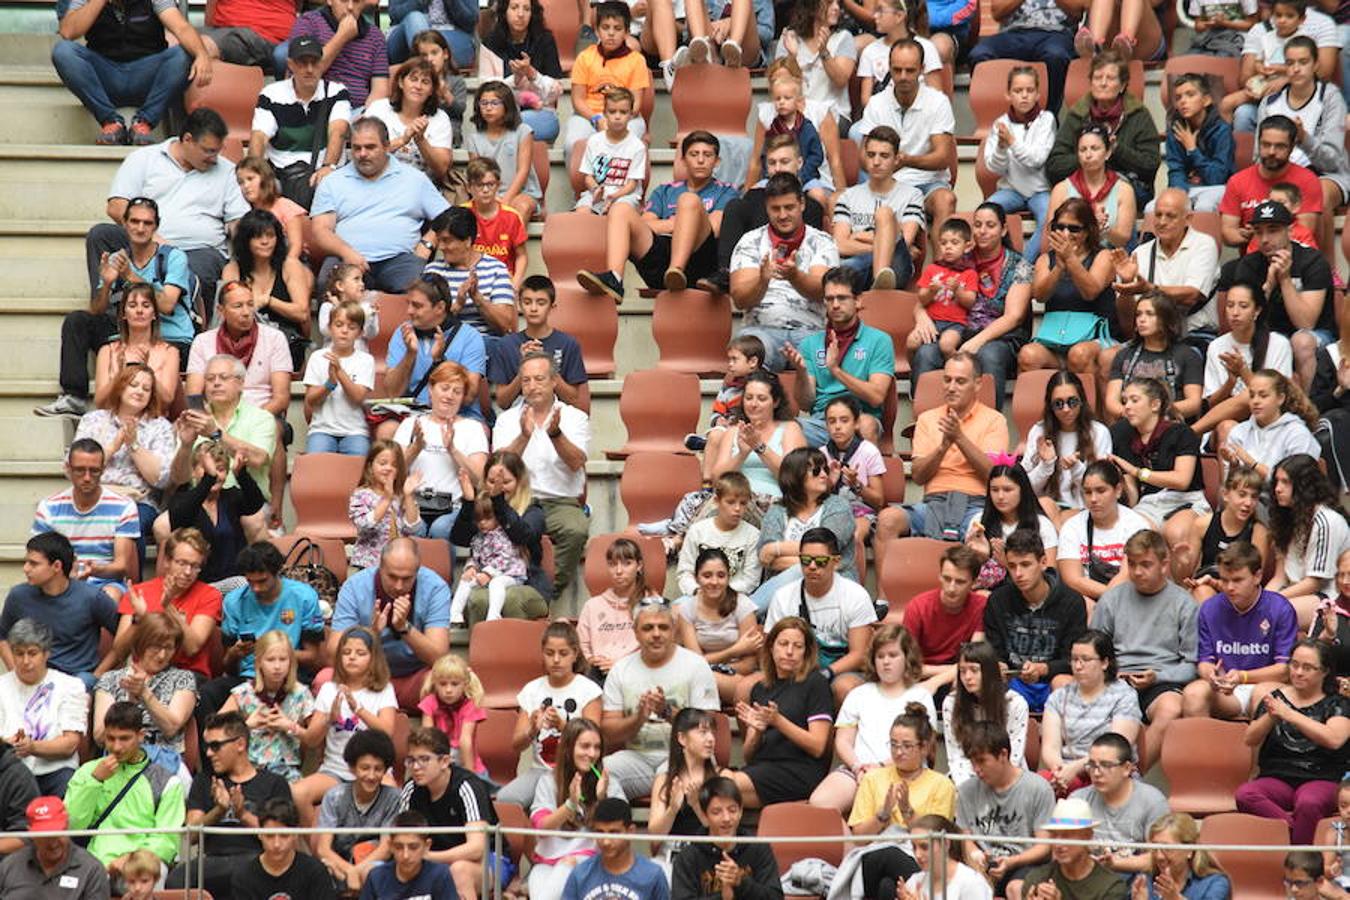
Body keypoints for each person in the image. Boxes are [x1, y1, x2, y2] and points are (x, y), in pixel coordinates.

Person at [39, 201, 191, 421]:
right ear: (125, 224)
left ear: (156, 226)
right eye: (134, 221)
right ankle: (74, 397)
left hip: (171, 336)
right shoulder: (115, 259)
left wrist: (130, 276)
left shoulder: (173, 257)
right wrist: (108, 284)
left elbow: (167, 304)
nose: (140, 228)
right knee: (77, 321)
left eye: (147, 223)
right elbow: (97, 309)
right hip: (128, 332)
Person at [86, 109, 243, 318]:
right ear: (187, 139)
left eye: (217, 151)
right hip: (144, 241)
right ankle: (107, 317)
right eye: (208, 151)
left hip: (199, 250)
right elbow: (116, 206)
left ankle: (188, 328)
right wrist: (155, 239)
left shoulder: (228, 171)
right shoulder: (144, 158)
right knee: (101, 235)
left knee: (198, 266)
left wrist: (238, 256)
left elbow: (238, 223)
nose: (214, 159)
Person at [577, 131, 739, 302]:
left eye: (707, 155)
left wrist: (674, 221)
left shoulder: (727, 191)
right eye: (694, 154)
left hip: (700, 262)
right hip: (660, 259)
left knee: (688, 200)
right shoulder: (664, 190)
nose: (700, 160)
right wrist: (682, 223)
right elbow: (646, 224)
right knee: (620, 209)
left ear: (716, 161)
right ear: (683, 160)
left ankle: (676, 271)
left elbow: (714, 227)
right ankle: (614, 278)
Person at [874, 353, 1009, 550]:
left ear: (977, 384)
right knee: (887, 520)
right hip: (933, 504)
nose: (951, 387)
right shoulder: (927, 419)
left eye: (960, 381)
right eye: (947, 380)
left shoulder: (995, 420)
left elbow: (994, 476)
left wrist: (959, 438)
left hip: (976, 506)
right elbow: (918, 476)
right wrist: (942, 448)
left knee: (980, 532)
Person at [1089, 529, 1197, 771]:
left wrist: (1158, 676)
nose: (1137, 572)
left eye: (1146, 564)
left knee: (1171, 707)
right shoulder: (1111, 599)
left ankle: (1132, 772)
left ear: (1164, 565)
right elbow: (1094, 649)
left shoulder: (1184, 603)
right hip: (1116, 677)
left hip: (1161, 679)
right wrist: (1109, 673)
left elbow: (1192, 666)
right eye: (1132, 564)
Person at [910, 203, 1035, 409]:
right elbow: (924, 296)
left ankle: (988, 423)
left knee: (988, 355)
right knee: (926, 353)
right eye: (977, 225)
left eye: (990, 225)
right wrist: (922, 317)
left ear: (1003, 230)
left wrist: (977, 341)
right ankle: (926, 421)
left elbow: (1014, 317)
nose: (982, 231)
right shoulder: (957, 257)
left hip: (999, 338)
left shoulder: (1019, 266)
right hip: (955, 331)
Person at [185, 284, 292, 518]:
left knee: (273, 429)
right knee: (186, 429)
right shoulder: (203, 341)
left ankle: (275, 508)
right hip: (214, 412)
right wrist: (210, 419)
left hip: (263, 412)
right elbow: (193, 396)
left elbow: (282, 397)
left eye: (250, 305)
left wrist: (253, 419)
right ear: (221, 310)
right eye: (238, 306)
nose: (246, 312)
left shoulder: (274, 338)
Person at [310, 117, 451, 293]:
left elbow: (448, 217)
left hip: (401, 260)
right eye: (356, 148)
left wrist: (427, 243)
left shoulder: (414, 179)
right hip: (346, 258)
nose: (362, 154)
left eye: (370, 147)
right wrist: (347, 252)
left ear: (386, 146)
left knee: (420, 291)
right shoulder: (332, 182)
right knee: (329, 285)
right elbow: (320, 230)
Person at [492, 353, 590, 598]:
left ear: (554, 381)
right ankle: (517, 584)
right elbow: (497, 468)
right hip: (518, 500)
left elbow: (577, 462)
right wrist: (523, 437)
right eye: (526, 380)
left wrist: (556, 434)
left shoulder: (575, 417)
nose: (532, 386)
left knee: (576, 530)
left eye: (539, 379)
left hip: (561, 501)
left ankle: (547, 592)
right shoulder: (506, 420)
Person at [810, 625, 937, 813]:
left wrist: (880, 768)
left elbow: (923, 746)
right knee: (820, 803)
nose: (886, 662)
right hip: (858, 770)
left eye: (893, 655)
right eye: (880, 656)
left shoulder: (921, 696)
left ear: (907, 657)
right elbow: (843, 740)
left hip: (904, 770)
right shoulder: (858, 694)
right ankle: (850, 835)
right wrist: (857, 767)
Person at [600, 602, 720, 800]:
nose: (656, 634)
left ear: (673, 630)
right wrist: (639, 717)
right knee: (599, 773)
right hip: (638, 758)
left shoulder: (696, 665)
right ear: (635, 632)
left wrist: (666, 711)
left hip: (686, 756)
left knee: (677, 776)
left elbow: (708, 727)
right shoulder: (620, 670)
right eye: (648, 628)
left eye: (663, 627)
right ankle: (619, 818)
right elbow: (609, 733)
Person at [199, 542, 325, 728]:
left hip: (289, 676)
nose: (256, 588)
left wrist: (273, 653)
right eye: (250, 582)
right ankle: (214, 746)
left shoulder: (303, 597)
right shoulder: (234, 601)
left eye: (262, 581)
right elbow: (228, 666)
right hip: (248, 678)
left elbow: (313, 657)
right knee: (207, 693)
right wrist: (235, 653)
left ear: (277, 573)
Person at [1237, 638, 1350, 844]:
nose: (1298, 672)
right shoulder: (1275, 698)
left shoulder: (1337, 703)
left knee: (1309, 803)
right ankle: (1291, 829)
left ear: (1324, 672)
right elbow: (1250, 739)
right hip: (1278, 777)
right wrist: (1271, 716)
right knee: (1246, 794)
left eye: (1307, 668)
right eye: (1294, 665)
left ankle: (1301, 859)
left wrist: (1290, 714)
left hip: (1321, 777)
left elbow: (1334, 739)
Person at [166, 711, 292, 895]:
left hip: (258, 858)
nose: (209, 753)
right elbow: (192, 835)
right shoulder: (204, 781)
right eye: (207, 746)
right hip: (212, 859)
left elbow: (280, 837)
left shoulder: (274, 783)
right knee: (176, 879)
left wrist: (242, 814)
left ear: (240, 744)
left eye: (215, 746)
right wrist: (219, 810)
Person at [52, 0, 210, 145]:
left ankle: (143, 123)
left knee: (184, 54)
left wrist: (201, 54)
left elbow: (181, 27)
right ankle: (111, 122)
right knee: (64, 51)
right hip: (105, 76)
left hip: (146, 76)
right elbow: (68, 31)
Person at [1217, 198, 1334, 389]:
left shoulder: (1312, 261)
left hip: (1316, 334)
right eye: (1259, 232)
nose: (1264, 239)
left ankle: (1305, 405)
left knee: (1301, 341)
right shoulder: (1249, 265)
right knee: (1266, 340)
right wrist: (1269, 285)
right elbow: (1247, 318)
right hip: (1269, 330)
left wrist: (1285, 279)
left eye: (1273, 230)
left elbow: (1306, 323)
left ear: (1290, 230)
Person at [729, 172, 839, 372]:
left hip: (810, 331)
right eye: (775, 208)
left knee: (826, 362)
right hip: (761, 330)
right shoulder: (750, 241)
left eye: (789, 207)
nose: (782, 215)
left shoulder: (823, 242)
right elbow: (740, 300)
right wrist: (762, 281)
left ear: (802, 204)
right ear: (766, 207)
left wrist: (795, 276)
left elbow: (822, 291)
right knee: (747, 355)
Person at [65, 701, 185, 882]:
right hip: (95, 864)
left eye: (124, 738)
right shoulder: (87, 772)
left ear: (141, 736)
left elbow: (166, 841)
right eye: (111, 738)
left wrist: (131, 860)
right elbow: (72, 826)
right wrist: (94, 781)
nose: (116, 747)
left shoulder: (167, 781)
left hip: (142, 864)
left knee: (151, 872)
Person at [1255, 35, 1350, 262]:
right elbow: (1257, 157)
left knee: (1318, 192)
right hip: (1280, 174)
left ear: (1316, 64)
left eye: (1303, 62)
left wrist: (1304, 138)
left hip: (1327, 174)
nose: (1296, 69)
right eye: (1290, 63)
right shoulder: (1270, 102)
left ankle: (1326, 269)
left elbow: (1333, 160)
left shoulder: (1330, 97)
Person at [293, 627, 397, 828]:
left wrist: (358, 709)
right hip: (335, 771)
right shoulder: (328, 689)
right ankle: (316, 844)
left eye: (360, 653)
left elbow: (387, 732)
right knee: (297, 793)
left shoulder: (384, 690)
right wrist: (329, 719)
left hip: (374, 771)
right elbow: (312, 740)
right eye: (346, 652)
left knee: (393, 793)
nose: (352, 657)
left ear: (373, 658)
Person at [330, 538, 452, 710]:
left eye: (407, 579)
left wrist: (404, 628)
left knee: (449, 683)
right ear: (380, 567)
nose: (399, 586)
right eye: (392, 577)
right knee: (324, 680)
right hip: (365, 679)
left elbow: (439, 657)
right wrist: (371, 634)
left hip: (415, 678)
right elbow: (333, 651)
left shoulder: (435, 587)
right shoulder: (354, 586)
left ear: (418, 572)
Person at [73, 363, 176, 567]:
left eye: (146, 389)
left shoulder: (160, 427)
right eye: (133, 385)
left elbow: (161, 479)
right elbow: (74, 467)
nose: (139, 391)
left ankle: (130, 582)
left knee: (130, 522)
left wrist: (133, 445)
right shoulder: (93, 420)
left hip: (139, 501)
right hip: (95, 495)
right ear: (120, 387)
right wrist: (114, 446)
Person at [1184, 539, 1297, 721]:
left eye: (1237, 580)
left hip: (1265, 684)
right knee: (1193, 694)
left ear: (1257, 576)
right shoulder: (1209, 608)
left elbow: (1284, 670)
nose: (1229, 587)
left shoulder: (1280, 608)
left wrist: (1243, 677)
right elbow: (1204, 661)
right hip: (1226, 691)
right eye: (1224, 580)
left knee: (1263, 695)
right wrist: (1211, 675)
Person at [729, 617, 835, 809]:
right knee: (718, 794)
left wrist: (778, 721)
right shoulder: (760, 689)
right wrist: (757, 731)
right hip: (762, 769)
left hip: (799, 770)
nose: (789, 651)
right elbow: (748, 756)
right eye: (783, 644)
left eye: (798, 646)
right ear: (771, 647)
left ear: (806, 652)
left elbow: (818, 746)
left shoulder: (815, 684)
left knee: (724, 787)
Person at [762, 526, 875, 700]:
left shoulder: (855, 595)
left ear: (836, 562)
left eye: (821, 561)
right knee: (746, 688)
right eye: (806, 560)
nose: (812, 566)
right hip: (792, 669)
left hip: (840, 672)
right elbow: (769, 645)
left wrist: (825, 674)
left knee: (844, 688)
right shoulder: (783, 596)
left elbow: (859, 654)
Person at [497, 621, 602, 807]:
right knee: (506, 800)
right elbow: (517, 745)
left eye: (563, 653)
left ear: (575, 654)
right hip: (540, 771)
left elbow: (594, 740)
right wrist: (532, 730)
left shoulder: (588, 690)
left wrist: (563, 726)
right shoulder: (532, 690)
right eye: (549, 653)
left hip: (577, 770)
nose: (556, 660)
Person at [856, 39, 957, 227]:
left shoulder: (938, 102)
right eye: (897, 70)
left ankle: (941, 249)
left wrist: (906, 161)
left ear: (922, 69)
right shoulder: (876, 103)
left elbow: (943, 158)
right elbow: (863, 156)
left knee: (945, 200)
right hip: (888, 183)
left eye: (910, 70)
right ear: (889, 68)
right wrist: (881, 164)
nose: (903, 77)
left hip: (928, 184)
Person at [985, 529, 1087, 713]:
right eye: (1012, 566)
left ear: (1043, 562)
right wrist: (998, 665)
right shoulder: (998, 600)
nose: (1018, 573)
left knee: (1064, 682)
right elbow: (994, 649)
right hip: (1012, 681)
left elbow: (1072, 659)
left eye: (1025, 565)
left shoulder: (1071, 602)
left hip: (1052, 679)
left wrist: (1043, 669)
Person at [167, 355, 276, 529]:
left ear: (240, 383)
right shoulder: (194, 419)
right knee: (162, 526)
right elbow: (179, 478)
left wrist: (215, 433)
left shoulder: (261, 418)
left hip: (246, 500)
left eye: (223, 377)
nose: (216, 383)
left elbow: (258, 459)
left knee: (252, 521)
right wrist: (186, 446)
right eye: (210, 379)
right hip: (200, 500)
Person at [0, 533, 119, 690]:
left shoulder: (92, 597)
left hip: (78, 679)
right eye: (26, 562)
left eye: (33, 564)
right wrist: (16, 673)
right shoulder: (19, 596)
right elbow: (2, 637)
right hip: (34, 676)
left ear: (57, 566)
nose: (26, 569)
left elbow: (124, 635)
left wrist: (98, 674)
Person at [846, 703, 956, 872]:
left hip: (919, 860)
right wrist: (883, 815)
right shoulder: (872, 778)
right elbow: (859, 839)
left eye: (906, 746)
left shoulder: (942, 785)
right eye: (894, 744)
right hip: (874, 858)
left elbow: (935, 841)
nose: (898, 752)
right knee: (885, 862)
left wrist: (907, 811)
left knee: (889, 872)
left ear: (924, 748)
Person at [1046, 50, 1161, 208]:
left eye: (1110, 78)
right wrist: (1089, 156)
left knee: (1120, 196)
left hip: (1128, 185)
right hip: (1083, 185)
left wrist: (1117, 150)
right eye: (1098, 78)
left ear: (1122, 85)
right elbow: (1054, 166)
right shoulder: (1078, 114)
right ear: (1091, 82)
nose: (1103, 83)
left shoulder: (1138, 114)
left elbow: (1150, 164)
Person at [1017, 197, 1117, 377]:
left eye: (1074, 228)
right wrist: (1058, 267)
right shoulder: (1045, 259)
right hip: (1055, 339)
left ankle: (1088, 397)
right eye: (1059, 227)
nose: (1065, 233)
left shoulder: (1104, 256)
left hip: (1095, 338)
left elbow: (1090, 292)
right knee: (1028, 355)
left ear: (1088, 231)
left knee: (1079, 354)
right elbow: (1039, 296)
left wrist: (1071, 260)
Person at [450, 450, 553, 624]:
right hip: (485, 580)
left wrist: (499, 503)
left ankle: (516, 642)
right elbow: (460, 538)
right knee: (479, 599)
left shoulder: (533, 510)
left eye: (505, 482)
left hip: (526, 583)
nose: (498, 486)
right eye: (492, 481)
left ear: (519, 481)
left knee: (510, 598)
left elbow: (523, 536)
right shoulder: (483, 509)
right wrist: (468, 503)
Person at [955, 720, 1055, 899]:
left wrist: (1011, 862)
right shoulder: (966, 791)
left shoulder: (1038, 788)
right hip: (984, 864)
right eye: (972, 762)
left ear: (1003, 754)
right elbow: (965, 839)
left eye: (982, 761)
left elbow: (1044, 847)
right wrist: (976, 856)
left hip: (1026, 863)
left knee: (1016, 888)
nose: (976, 769)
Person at [249, 36, 350, 211]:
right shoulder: (271, 94)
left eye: (314, 62)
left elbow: (338, 131)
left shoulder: (336, 92)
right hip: (284, 174)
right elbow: (259, 137)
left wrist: (328, 166)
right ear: (290, 64)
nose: (309, 69)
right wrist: (255, 173)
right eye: (302, 63)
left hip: (325, 174)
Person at [527, 717, 625, 896]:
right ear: (568, 748)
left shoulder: (610, 783)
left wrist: (602, 799)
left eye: (597, 747)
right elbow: (542, 828)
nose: (592, 753)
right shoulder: (549, 781)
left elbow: (621, 834)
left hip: (593, 863)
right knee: (540, 887)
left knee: (567, 866)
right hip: (547, 863)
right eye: (585, 746)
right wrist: (570, 805)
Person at [393, 360, 490, 538]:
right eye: (444, 388)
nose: (449, 396)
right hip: (413, 503)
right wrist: (415, 449)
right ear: (431, 389)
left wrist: (453, 450)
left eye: (457, 391)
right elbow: (392, 473)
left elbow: (480, 480)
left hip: (454, 507)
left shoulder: (473, 428)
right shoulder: (410, 424)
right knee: (415, 529)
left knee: (440, 529)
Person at [33, 439, 138, 603]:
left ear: (103, 470)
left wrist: (95, 570)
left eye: (94, 471)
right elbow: (38, 558)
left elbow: (122, 565)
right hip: (59, 580)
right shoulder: (49, 507)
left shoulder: (124, 506)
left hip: (105, 582)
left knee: (110, 597)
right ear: (68, 469)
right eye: (80, 470)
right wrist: (65, 575)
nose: (87, 477)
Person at [400, 725, 498, 900]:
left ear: (444, 761)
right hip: (434, 858)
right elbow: (402, 837)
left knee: (459, 871)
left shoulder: (467, 786)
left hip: (488, 859)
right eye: (411, 760)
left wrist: (427, 857)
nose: (415, 767)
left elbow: (476, 848)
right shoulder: (411, 788)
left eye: (424, 759)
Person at [1109, 376, 1209, 546]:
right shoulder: (1122, 433)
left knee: (1176, 532)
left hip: (1186, 500)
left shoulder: (1181, 433)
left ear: (1155, 405)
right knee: (1132, 533)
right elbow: (1132, 492)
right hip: (1149, 502)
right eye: (1125, 401)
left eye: (1134, 400)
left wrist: (1138, 472)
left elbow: (1182, 480)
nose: (1127, 406)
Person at [755, 449, 861, 606]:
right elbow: (765, 557)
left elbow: (825, 546)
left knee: (800, 570)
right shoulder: (778, 510)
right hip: (786, 590)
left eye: (825, 469)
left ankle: (749, 610)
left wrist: (776, 549)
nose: (824, 475)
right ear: (795, 475)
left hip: (834, 583)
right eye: (816, 471)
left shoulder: (838, 506)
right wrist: (812, 560)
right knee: (800, 572)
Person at [93, 613, 196, 768]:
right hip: (119, 761)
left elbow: (171, 727)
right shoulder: (110, 680)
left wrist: (144, 694)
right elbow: (100, 737)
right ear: (140, 643)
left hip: (164, 762)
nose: (162, 655)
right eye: (155, 647)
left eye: (168, 648)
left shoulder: (182, 679)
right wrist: (130, 700)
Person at [831, 125, 925, 290]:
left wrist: (857, 236)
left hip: (896, 266)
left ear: (896, 159)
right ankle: (879, 285)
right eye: (871, 155)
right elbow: (840, 245)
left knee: (885, 214)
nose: (876, 162)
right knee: (846, 269)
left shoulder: (913, 195)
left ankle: (880, 280)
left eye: (884, 156)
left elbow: (905, 241)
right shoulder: (847, 196)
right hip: (860, 262)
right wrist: (882, 243)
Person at [0, 620, 87, 797]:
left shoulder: (70, 686)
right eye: (19, 654)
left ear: (46, 653)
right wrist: (6, 745)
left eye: (32, 653)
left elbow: (70, 744)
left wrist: (32, 747)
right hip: (10, 772)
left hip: (56, 772)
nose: (25, 661)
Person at [160, 443, 265, 590]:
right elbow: (180, 515)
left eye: (220, 469)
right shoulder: (183, 500)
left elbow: (256, 502)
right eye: (207, 468)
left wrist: (241, 473)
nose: (215, 474)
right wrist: (208, 478)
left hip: (233, 584)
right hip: (195, 585)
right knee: (242, 585)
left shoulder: (232, 497)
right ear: (193, 472)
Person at [1196, 283, 1294, 438]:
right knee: (1228, 427)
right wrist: (1230, 382)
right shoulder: (1216, 346)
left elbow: (1278, 395)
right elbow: (1211, 404)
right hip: (1224, 423)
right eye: (1230, 306)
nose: (1235, 313)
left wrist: (1243, 371)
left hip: (1270, 421)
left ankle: (1191, 432)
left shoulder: (1278, 344)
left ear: (1257, 311)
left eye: (1243, 306)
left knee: (1249, 395)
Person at [380, 276, 488, 415]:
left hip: (458, 416)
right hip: (412, 415)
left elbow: (468, 397)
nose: (409, 311)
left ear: (440, 307)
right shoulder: (403, 332)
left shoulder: (470, 337)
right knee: (387, 427)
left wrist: (440, 361)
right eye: (409, 304)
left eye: (417, 306)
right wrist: (409, 354)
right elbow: (392, 393)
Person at [219, 630, 317, 782]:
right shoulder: (243, 693)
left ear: (291, 662)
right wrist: (246, 726)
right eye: (270, 660)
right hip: (250, 771)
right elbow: (213, 732)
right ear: (259, 662)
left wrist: (290, 726)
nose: (277, 666)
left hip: (288, 772)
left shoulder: (301, 694)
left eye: (283, 659)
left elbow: (314, 739)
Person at [222, 209, 313, 369]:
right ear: (246, 240)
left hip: (286, 343)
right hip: (245, 344)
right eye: (258, 236)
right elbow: (228, 312)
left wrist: (269, 301)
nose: (265, 241)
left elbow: (302, 313)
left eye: (270, 236)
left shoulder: (290, 265)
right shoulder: (232, 269)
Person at [1267, 454, 1350, 629]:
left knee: (1272, 615)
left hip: (1328, 596)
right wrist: (1258, 601)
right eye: (1277, 482)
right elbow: (1279, 577)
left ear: (1303, 487)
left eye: (1285, 482)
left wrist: (1270, 601)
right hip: (1293, 591)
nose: (1278, 489)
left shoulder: (1326, 521)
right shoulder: (1286, 519)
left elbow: (1314, 583)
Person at [984, 65, 1056, 262]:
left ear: (1038, 94)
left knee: (1049, 217)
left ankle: (1023, 265)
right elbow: (994, 168)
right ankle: (999, 261)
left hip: (1040, 191)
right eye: (1018, 90)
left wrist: (1012, 142)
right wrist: (1001, 147)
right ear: (1008, 95)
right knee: (986, 212)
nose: (1024, 96)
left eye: (1030, 90)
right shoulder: (1000, 123)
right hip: (1011, 190)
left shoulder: (1046, 120)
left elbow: (1036, 160)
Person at [315, 730, 403, 892]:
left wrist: (357, 871)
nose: (371, 775)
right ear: (352, 768)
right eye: (365, 768)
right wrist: (349, 871)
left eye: (378, 769)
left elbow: (385, 849)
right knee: (322, 870)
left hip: (375, 865)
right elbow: (323, 849)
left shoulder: (394, 798)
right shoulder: (334, 797)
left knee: (374, 871)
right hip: (340, 865)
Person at [1219, 116, 1324, 251]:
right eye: (1266, 145)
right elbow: (1228, 233)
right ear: (1258, 144)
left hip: (1295, 257)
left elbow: (1305, 232)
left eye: (1280, 146)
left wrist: (1261, 232)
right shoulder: (1238, 181)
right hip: (1253, 259)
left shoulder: (1307, 180)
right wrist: (1252, 234)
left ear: (1292, 147)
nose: (1271, 152)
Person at [1068, 732, 1169, 873]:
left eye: (1106, 765)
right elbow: (1065, 849)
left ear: (1127, 768)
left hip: (1135, 877)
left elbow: (1160, 856)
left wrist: (1116, 863)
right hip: (1090, 876)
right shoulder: (1077, 800)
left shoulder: (1152, 801)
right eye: (1092, 765)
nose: (1096, 773)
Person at [562, 2, 652, 159]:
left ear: (627, 32)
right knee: (573, 144)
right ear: (597, 30)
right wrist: (597, 119)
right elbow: (578, 100)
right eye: (605, 27)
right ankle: (582, 176)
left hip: (625, 117)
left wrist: (615, 120)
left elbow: (636, 104)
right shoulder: (584, 57)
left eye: (617, 28)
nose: (611, 33)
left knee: (626, 145)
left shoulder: (637, 61)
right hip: (588, 116)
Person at [1021, 370, 1112, 524]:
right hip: (1045, 509)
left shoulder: (1098, 432)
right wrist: (1046, 466)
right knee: (1046, 506)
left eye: (1072, 402)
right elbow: (1025, 488)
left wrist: (1076, 469)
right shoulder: (1039, 431)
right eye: (1058, 404)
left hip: (1085, 510)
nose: (1066, 409)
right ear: (1050, 406)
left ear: (1082, 401)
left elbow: (1101, 488)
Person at [671, 776, 783, 898]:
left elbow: (776, 896)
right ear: (705, 816)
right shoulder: (687, 858)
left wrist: (741, 883)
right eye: (716, 812)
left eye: (732, 810)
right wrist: (722, 897)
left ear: (741, 812)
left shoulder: (759, 848)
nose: (726, 818)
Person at [1057, 460, 1152, 602]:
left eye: (1101, 491)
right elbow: (1073, 579)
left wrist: (1108, 602)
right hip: (1088, 599)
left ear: (1118, 490)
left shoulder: (1137, 525)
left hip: (1130, 597)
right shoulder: (1072, 527)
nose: (1093, 499)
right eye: (1087, 492)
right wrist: (1105, 600)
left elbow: (1128, 574)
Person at [487, 276, 587, 411]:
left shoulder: (568, 344)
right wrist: (524, 368)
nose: (533, 308)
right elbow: (503, 402)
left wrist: (547, 365)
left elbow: (573, 399)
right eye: (527, 302)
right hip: (519, 414)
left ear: (552, 307)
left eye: (541, 303)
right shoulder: (505, 345)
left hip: (558, 413)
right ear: (520, 305)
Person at [709, 371, 808, 504]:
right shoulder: (732, 431)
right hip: (734, 501)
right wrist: (742, 454)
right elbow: (716, 480)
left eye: (761, 399)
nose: (753, 404)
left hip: (772, 502)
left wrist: (759, 447)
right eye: (749, 398)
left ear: (776, 402)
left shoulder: (790, 428)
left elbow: (793, 478)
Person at [423, 206, 516, 345]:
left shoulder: (496, 269)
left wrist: (478, 299)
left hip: (486, 343)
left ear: (467, 240)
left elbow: (505, 326)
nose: (441, 247)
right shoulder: (432, 271)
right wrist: (457, 306)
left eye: (447, 240)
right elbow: (425, 323)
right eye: (439, 240)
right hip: (445, 343)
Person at [964, 0, 1078, 113]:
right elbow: (997, 13)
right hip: (1013, 33)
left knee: (1056, 56)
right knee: (979, 54)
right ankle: (995, 114)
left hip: (1056, 33)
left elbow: (1077, 13)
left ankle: (1048, 116)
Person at [90, 281, 185, 415]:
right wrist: (122, 374)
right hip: (114, 420)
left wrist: (145, 369)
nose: (139, 311)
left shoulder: (170, 351)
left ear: (154, 314)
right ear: (124, 313)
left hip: (154, 421)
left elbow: (167, 399)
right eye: (132, 305)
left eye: (146, 305)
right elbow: (100, 401)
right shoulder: (107, 351)